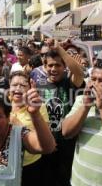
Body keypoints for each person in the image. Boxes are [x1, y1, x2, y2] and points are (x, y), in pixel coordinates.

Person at [36, 41, 84, 186]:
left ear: (64, 67)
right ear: (44, 67)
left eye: (58, 65)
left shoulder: (70, 83)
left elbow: (79, 73)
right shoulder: (39, 86)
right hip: (45, 145)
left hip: (67, 145)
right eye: (50, 65)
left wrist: (60, 49)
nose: (54, 68)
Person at [9, 71, 51, 186]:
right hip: (6, 164)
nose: (18, 88)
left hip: (30, 164)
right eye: (14, 85)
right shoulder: (2, 103)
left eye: (23, 85)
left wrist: (16, 123)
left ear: (29, 88)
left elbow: (44, 139)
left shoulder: (39, 107)